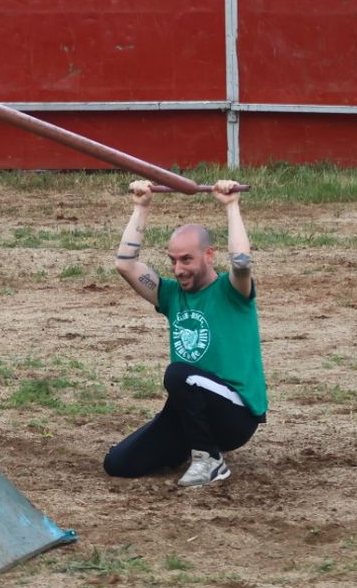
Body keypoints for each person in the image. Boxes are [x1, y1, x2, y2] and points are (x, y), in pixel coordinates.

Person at [106, 179, 265, 489]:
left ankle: (210, 461)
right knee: (118, 464)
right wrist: (141, 206)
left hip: (235, 415)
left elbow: (242, 263)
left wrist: (231, 206)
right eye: (173, 260)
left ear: (209, 255)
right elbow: (125, 265)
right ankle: (192, 447)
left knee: (178, 374)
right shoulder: (171, 294)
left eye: (186, 259)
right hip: (189, 408)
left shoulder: (231, 291)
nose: (178, 269)